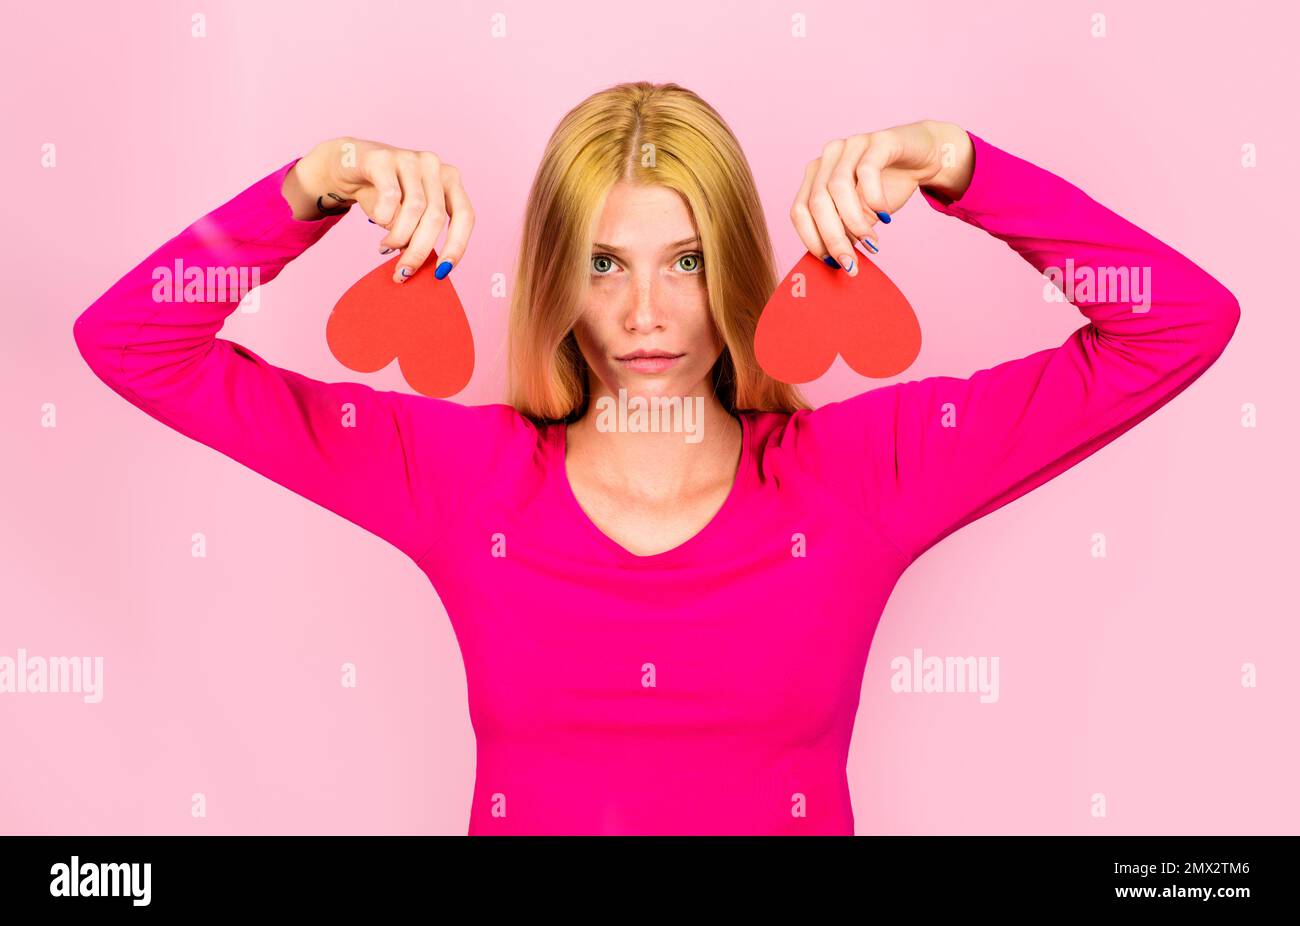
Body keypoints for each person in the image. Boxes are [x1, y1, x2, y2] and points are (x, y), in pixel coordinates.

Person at [73, 81, 1239, 835]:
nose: (642, 312)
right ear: (552, 280)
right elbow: (131, 341)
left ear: (733, 265)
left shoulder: (860, 473)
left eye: (682, 260)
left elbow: (1177, 321)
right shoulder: (463, 476)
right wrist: (305, 187)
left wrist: (963, 166)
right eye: (602, 262)